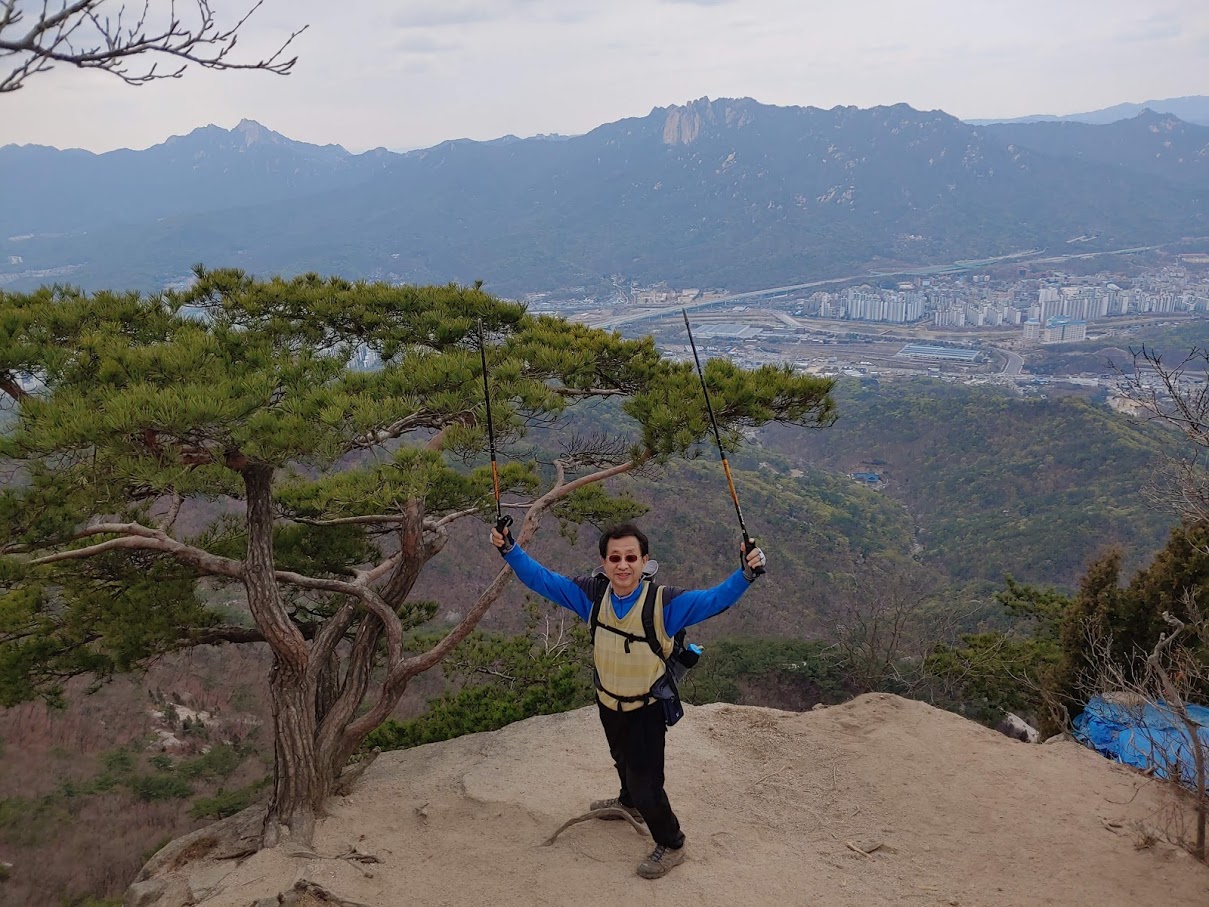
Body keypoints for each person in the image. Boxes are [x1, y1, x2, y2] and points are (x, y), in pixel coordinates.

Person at [489, 521, 766, 879]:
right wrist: (509, 549)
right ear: (603, 563)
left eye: (631, 558)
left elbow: (714, 599)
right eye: (615, 558)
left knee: (646, 783)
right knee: (621, 759)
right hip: (609, 703)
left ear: (645, 561)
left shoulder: (664, 604)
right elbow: (543, 579)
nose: (623, 565)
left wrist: (746, 573)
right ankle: (628, 803)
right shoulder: (592, 596)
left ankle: (672, 842)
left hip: (647, 709)